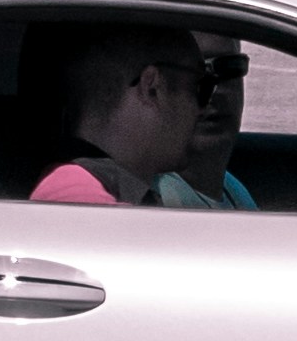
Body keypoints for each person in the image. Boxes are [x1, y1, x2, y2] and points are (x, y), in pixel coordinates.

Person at [22, 16, 206, 207]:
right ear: (152, 87)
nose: (202, 110)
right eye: (200, 87)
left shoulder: (109, 190)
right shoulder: (76, 193)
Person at [155, 33, 257, 209]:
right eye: (191, 73)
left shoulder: (231, 188)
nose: (214, 91)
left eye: (229, 68)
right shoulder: (155, 201)